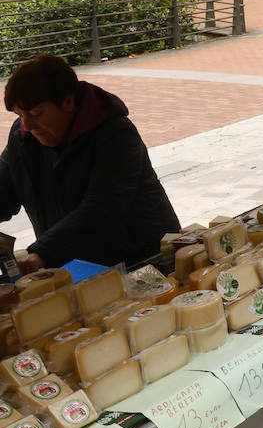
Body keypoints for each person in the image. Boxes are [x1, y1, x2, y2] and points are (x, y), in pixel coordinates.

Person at [2, 55, 179, 271]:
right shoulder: (22, 139)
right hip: (74, 263)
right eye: (20, 115)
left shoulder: (115, 134)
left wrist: (43, 252)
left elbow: (103, 206)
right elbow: (4, 188)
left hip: (143, 261)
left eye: (37, 113)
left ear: (68, 101)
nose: (28, 125)